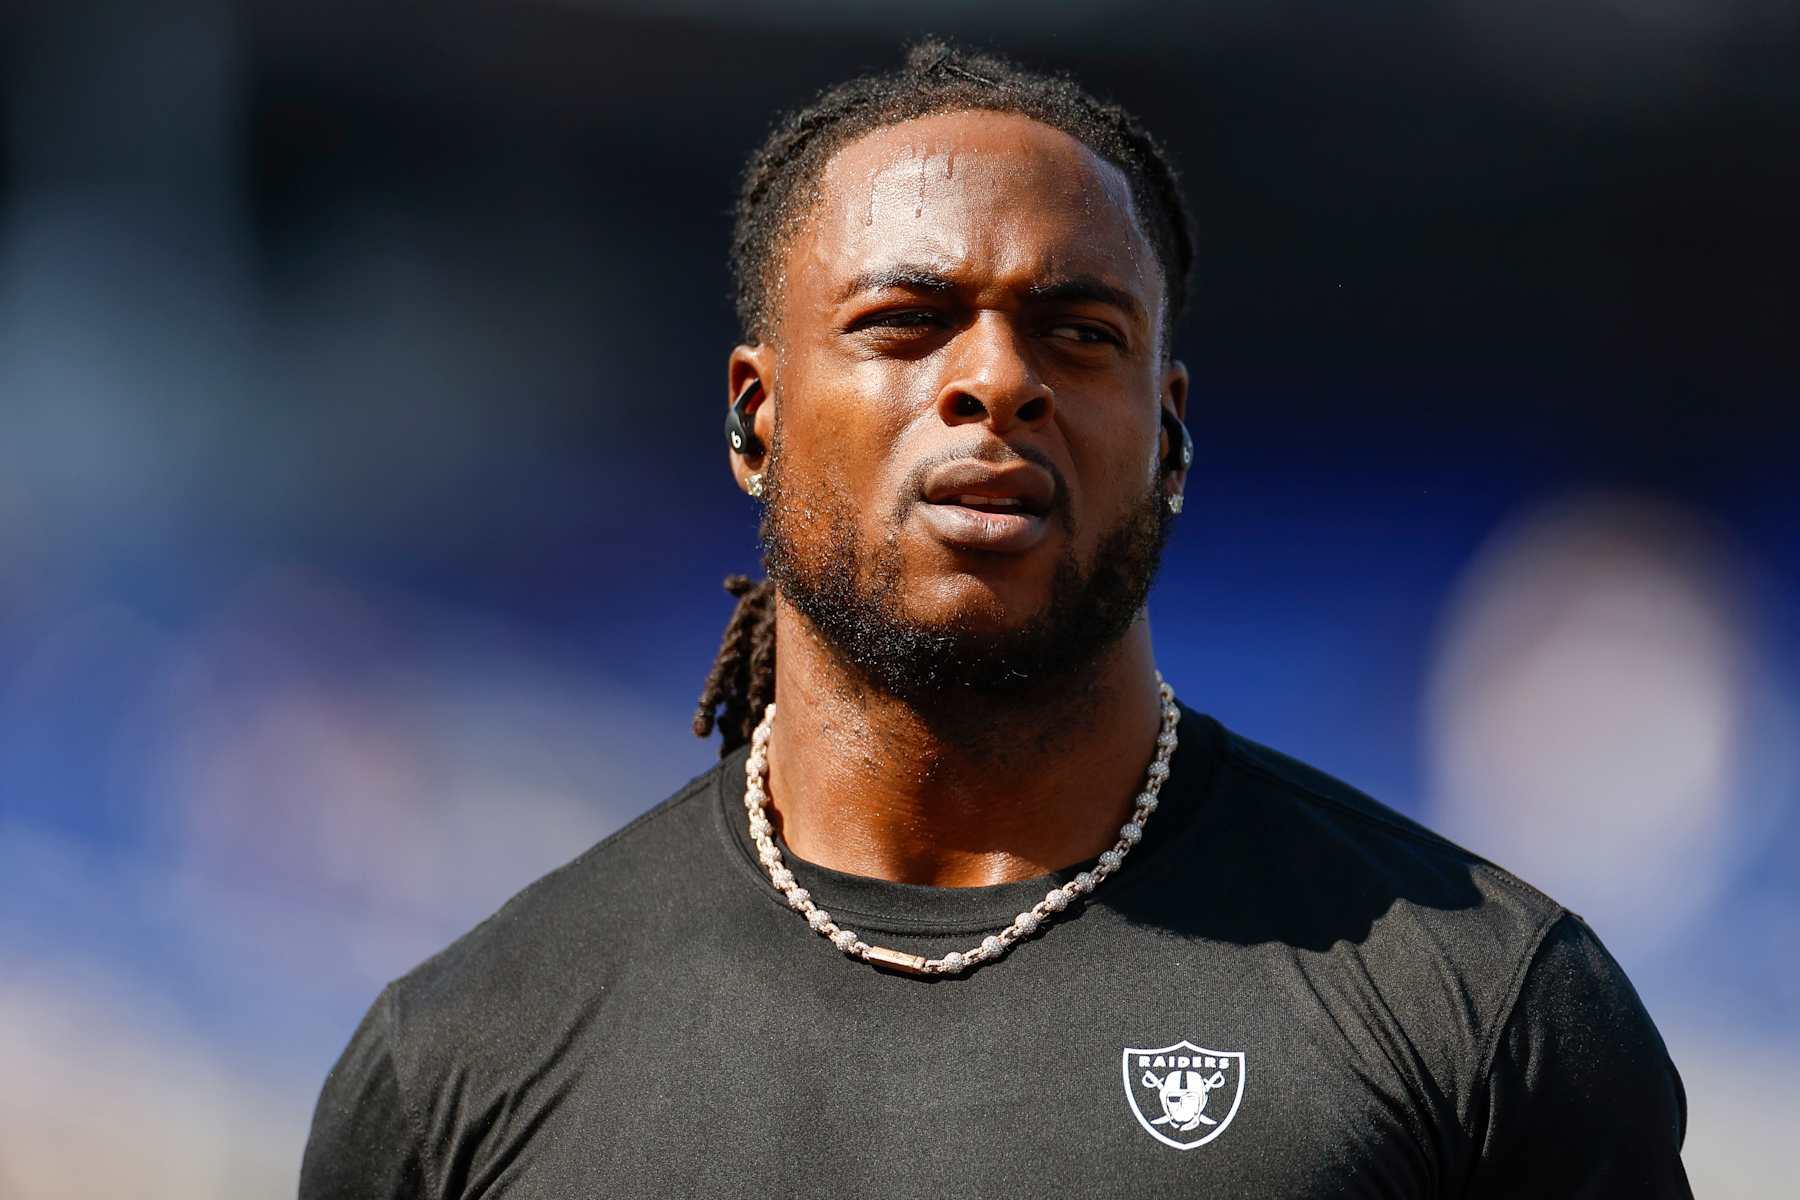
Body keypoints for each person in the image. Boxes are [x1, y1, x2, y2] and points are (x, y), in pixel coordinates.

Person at [300, 40, 1690, 1198]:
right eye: (905, 321)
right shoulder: (467, 1061)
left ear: (1170, 432)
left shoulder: (1482, 1010)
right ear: (752, 417)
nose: (995, 382)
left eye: (1080, 332)